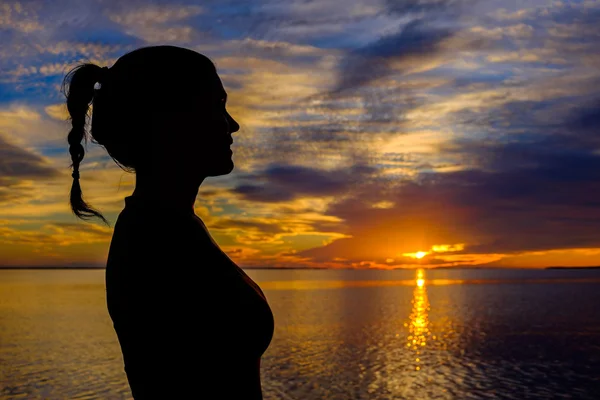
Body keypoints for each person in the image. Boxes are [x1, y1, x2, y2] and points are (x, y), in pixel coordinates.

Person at [61, 45, 275, 399]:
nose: (233, 125)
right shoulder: (155, 241)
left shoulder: (170, 225)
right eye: (217, 107)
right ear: (172, 118)